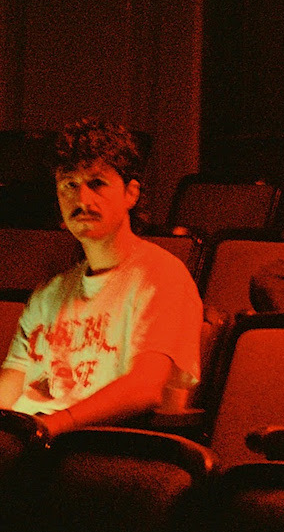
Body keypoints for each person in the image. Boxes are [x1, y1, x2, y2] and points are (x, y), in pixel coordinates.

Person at [0, 119, 200, 437]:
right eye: (69, 184)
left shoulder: (161, 275)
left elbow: (145, 388)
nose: (83, 200)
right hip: (32, 438)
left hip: (97, 444)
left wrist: (52, 425)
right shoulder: (49, 293)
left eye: (97, 183)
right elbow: (12, 382)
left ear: (131, 194)